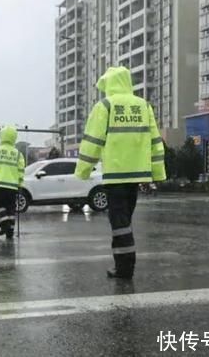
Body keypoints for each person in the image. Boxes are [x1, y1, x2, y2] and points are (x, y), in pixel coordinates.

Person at [75, 66, 166, 279]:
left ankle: (125, 268)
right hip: (137, 175)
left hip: (116, 175)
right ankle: (123, 264)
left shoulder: (105, 106)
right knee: (124, 221)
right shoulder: (143, 106)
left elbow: (92, 142)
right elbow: (156, 142)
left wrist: (83, 171)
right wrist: (157, 173)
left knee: (120, 223)